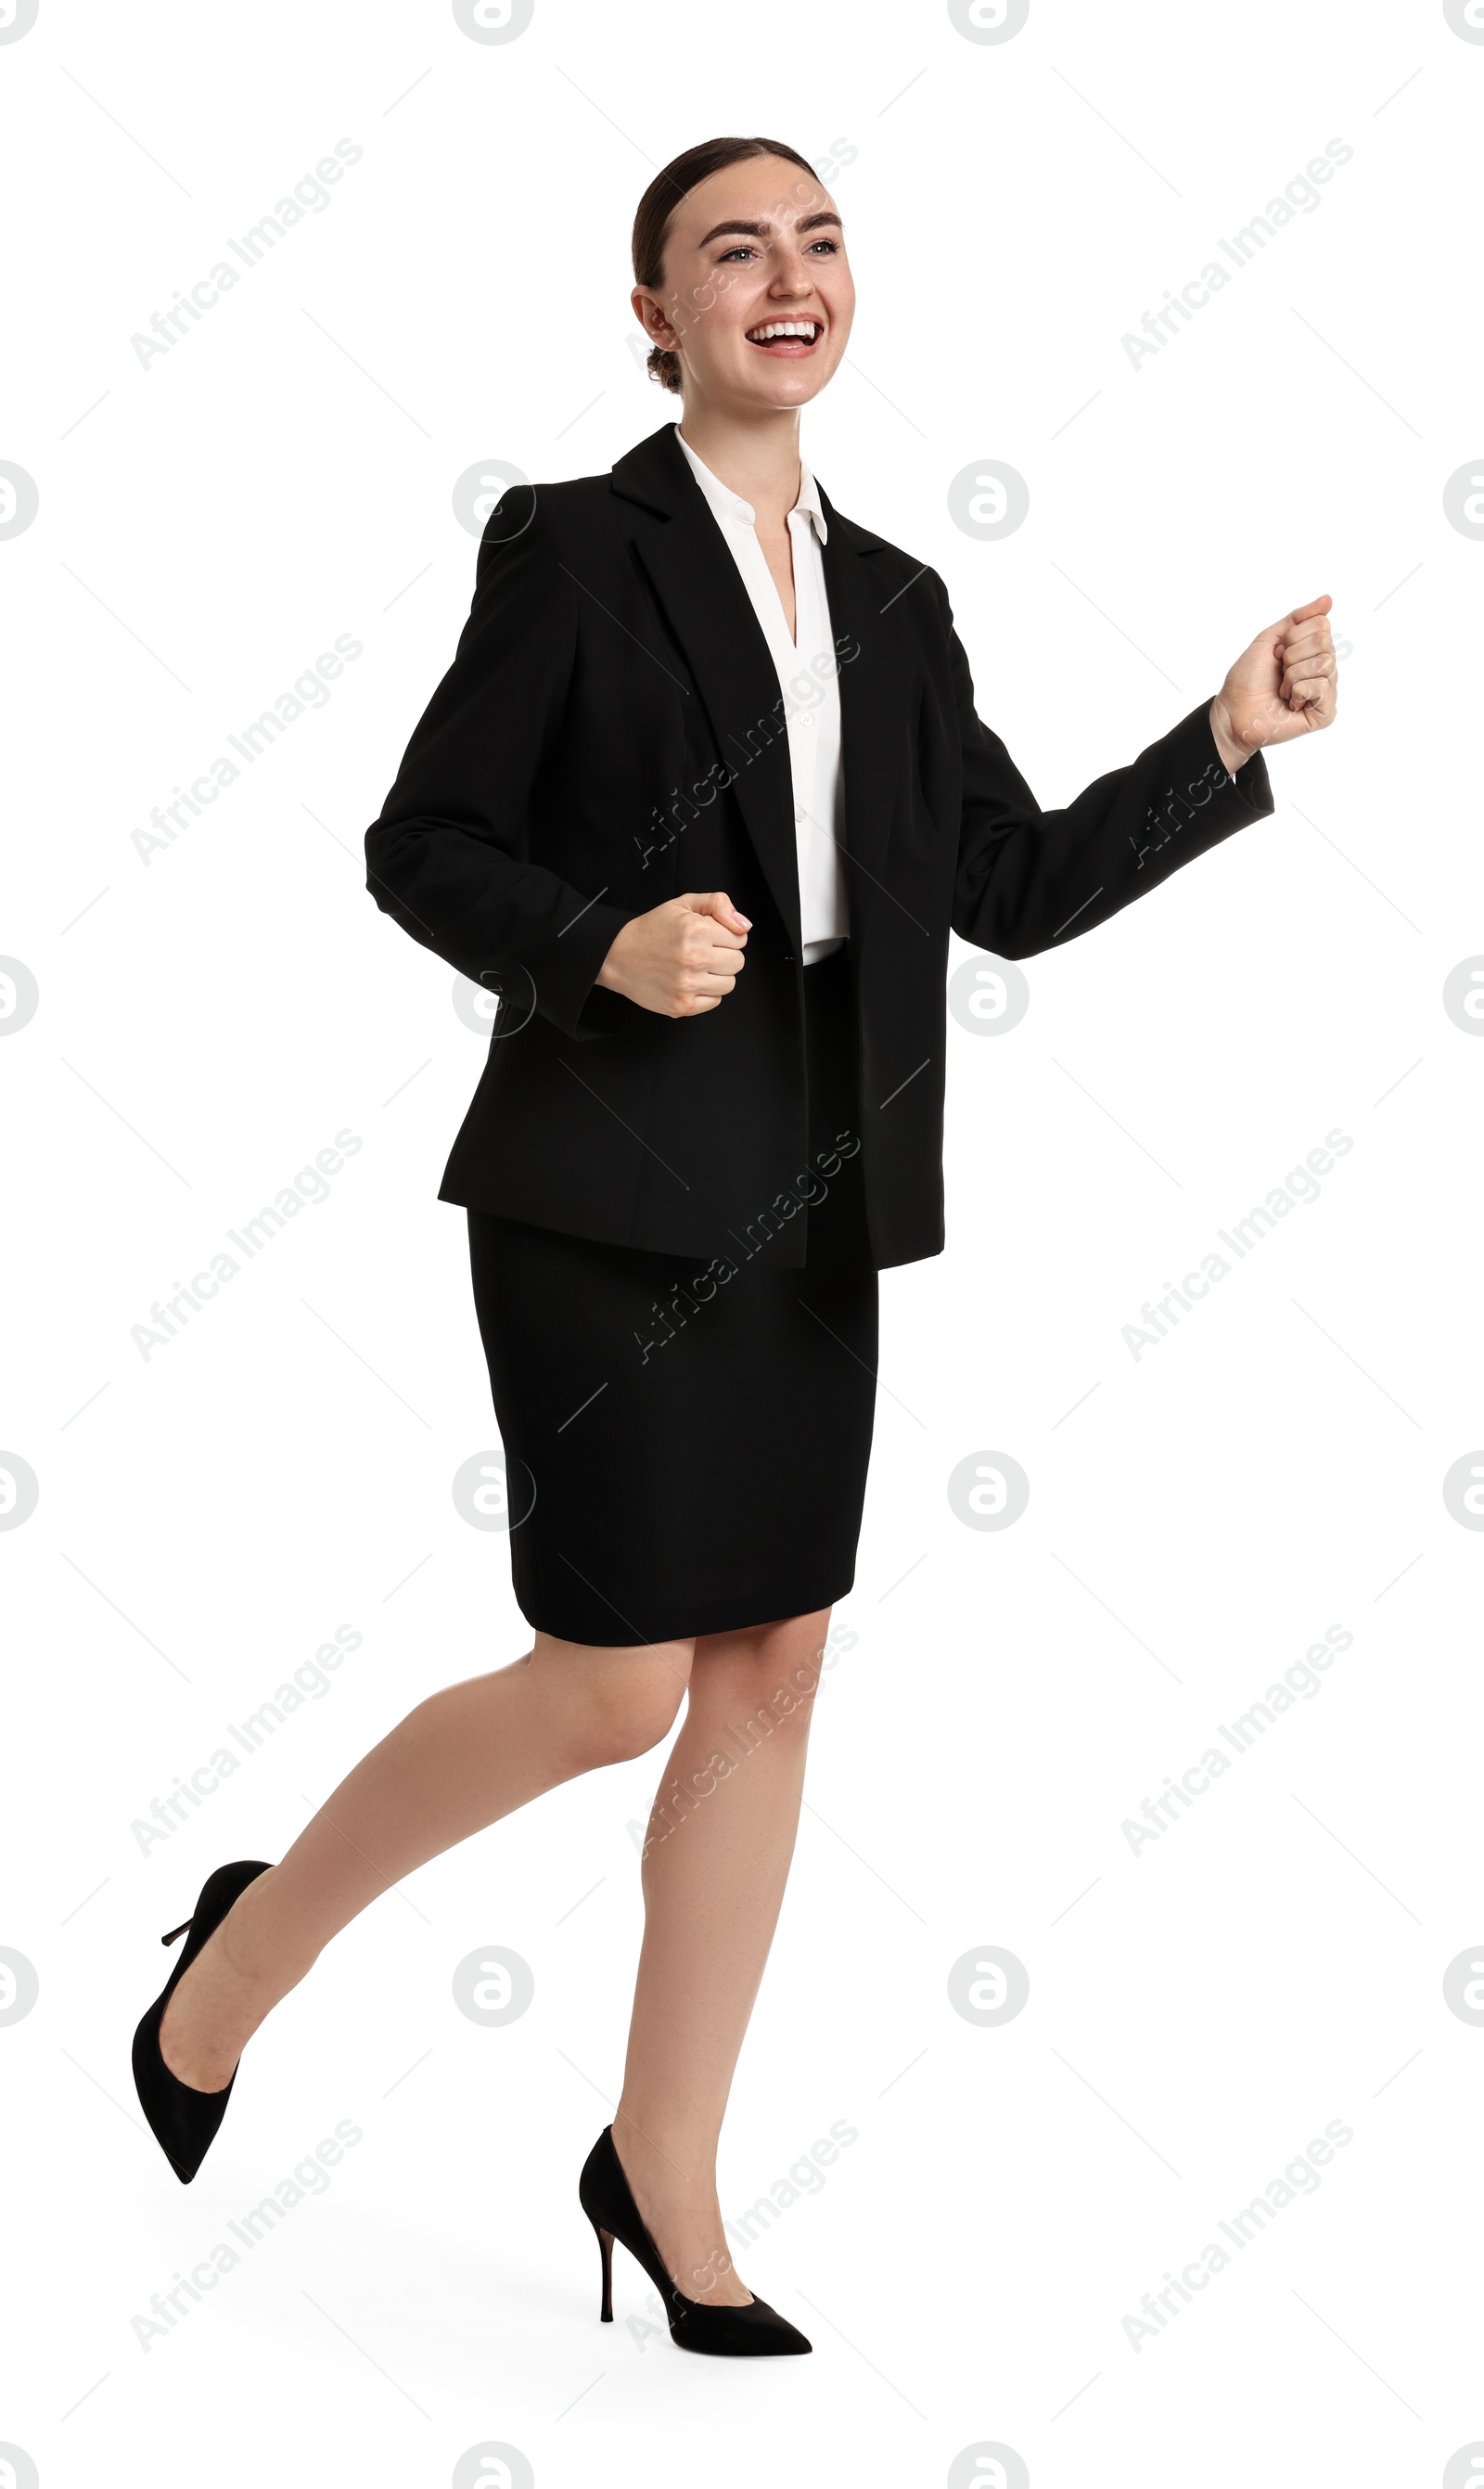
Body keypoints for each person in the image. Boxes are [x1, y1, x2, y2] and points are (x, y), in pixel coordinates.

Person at [132, 133, 1337, 2360]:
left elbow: (1011, 881)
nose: (786, 278)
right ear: (653, 315)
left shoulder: (893, 593)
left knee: (772, 1667)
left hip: (814, 1204)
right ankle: (239, 1960)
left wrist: (1217, 743)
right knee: (605, 1686)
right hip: (601, 1193)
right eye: (728, 250)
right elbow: (423, 842)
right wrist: (599, 943)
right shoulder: (574, 549)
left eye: (816, 241)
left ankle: (661, 2160)